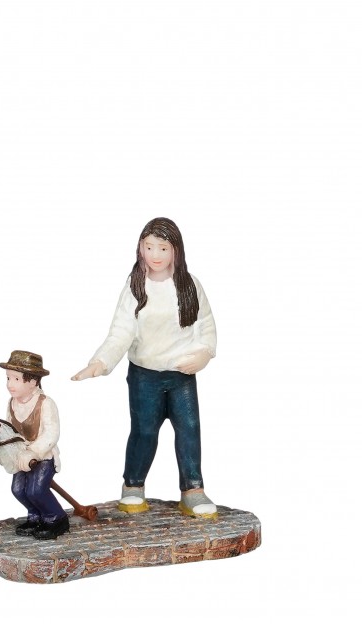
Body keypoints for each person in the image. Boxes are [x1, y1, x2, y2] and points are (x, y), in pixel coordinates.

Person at [71, 217, 218, 519]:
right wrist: (100, 362)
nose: (155, 255)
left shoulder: (190, 285)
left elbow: (205, 324)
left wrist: (204, 353)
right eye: (148, 247)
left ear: (175, 250)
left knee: (189, 430)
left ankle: (193, 489)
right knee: (144, 431)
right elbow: (122, 331)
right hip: (145, 376)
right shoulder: (135, 286)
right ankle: (133, 485)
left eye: (162, 248)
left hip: (182, 375)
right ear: (140, 248)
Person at [1, 350, 70, 539]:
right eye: (8, 378)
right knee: (18, 490)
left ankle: (55, 518)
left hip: (43, 456)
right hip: (20, 457)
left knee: (36, 490)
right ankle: (35, 516)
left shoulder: (45, 403)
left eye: (16, 379)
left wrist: (33, 452)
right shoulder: (12, 403)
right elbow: (9, 431)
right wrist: (5, 451)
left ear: (33, 381)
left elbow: (52, 433)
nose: (10, 384)